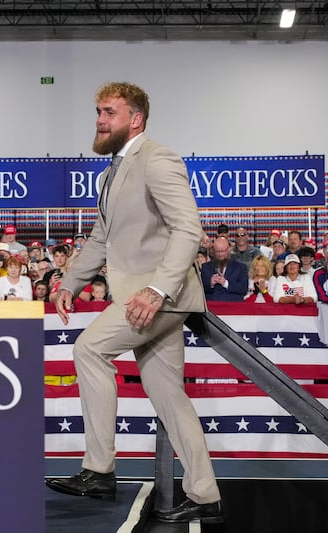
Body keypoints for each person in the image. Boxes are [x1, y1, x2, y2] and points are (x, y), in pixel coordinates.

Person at [47, 82, 222, 524]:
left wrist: (158, 290)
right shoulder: (109, 173)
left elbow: (188, 229)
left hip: (158, 297)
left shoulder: (158, 159)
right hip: (144, 297)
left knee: (88, 349)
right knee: (170, 397)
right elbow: (101, 239)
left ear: (135, 119)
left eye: (109, 112)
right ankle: (206, 496)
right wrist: (70, 281)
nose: (100, 120)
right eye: (98, 112)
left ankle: (99, 469)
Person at [200, 236, 248, 301]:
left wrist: (226, 283)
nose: (220, 255)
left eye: (222, 251)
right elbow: (200, 289)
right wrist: (210, 283)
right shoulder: (205, 267)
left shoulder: (241, 267)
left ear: (228, 249)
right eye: (217, 251)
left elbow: (243, 288)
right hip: (211, 307)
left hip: (233, 307)